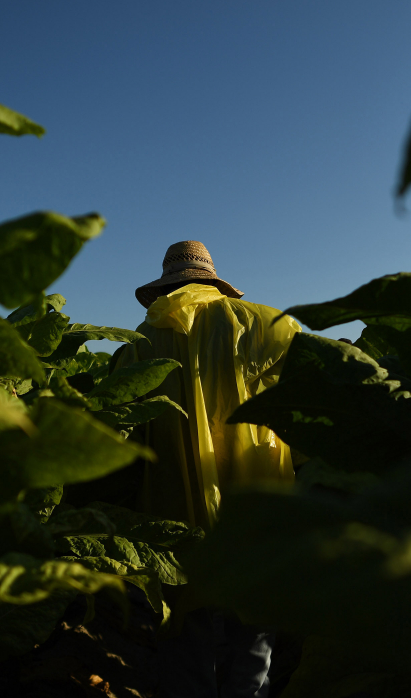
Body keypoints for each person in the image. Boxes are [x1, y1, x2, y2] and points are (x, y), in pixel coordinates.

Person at [113, 240, 301, 697]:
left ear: (164, 287)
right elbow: (312, 390)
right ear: (213, 282)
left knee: (184, 621)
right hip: (254, 488)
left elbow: (117, 425)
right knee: (254, 614)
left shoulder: (139, 344)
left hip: (171, 493)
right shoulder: (266, 324)